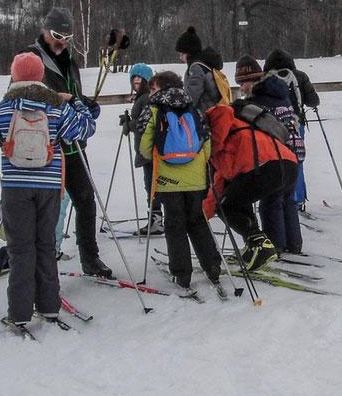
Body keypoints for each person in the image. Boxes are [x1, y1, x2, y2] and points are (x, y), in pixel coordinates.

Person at [0, 52, 96, 329]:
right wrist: (78, 104)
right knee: (45, 245)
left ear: (14, 76)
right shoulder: (56, 106)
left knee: (20, 248)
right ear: (40, 76)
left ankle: (19, 312)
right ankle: (49, 306)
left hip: (15, 187)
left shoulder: (6, 106)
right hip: (48, 186)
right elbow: (83, 130)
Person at [23, 6, 110, 278]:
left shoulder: (69, 59)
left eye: (69, 36)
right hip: (46, 146)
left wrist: (84, 104)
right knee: (48, 207)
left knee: (86, 199)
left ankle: (90, 257)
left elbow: (73, 94)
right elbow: (21, 97)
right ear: (45, 30)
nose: (63, 41)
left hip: (74, 144)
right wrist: (62, 107)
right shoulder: (29, 58)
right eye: (58, 34)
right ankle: (40, 263)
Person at [204, 78, 299, 271]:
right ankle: (255, 246)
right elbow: (220, 185)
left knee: (227, 206)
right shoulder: (238, 128)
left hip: (266, 166)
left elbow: (217, 189)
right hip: (288, 164)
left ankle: (260, 244)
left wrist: (198, 218)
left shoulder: (218, 125)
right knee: (236, 199)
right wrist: (202, 215)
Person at [139, 71, 221, 289]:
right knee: (197, 221)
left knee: (174, 225)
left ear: (161, 87)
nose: (151, 92)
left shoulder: (154, 109)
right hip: (195, 178)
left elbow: (145, 147)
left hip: (168, 179)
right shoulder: (194, 108)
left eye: (153, 88)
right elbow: (207, 143)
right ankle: (212, 265)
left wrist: (153, 158)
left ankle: (181, 273)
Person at [237, 56, 304, 255]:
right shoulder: (279, 91)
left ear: (254, 80)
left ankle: (276, 244)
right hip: (295, 148)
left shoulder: (257, 100)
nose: (241, 87)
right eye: (239, 83)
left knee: (271, 198)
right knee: (287, 197)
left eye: (244, 82)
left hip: (278, 153)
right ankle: (294, 242)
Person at [263, 48, 319, 210]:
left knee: (276, 160)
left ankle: (279, 196)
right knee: (296, 160)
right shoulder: (300, 76)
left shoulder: (267, 78)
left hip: (272, 126)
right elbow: (313, 101)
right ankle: (298, 198)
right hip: (296, 124)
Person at [123, 62, 163, 236]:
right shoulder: (142, 97)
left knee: (152, 185)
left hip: (150, 149)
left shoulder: (146, 97)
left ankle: (156, 220)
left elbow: (144, 123)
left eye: (140, 77)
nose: (137, 80)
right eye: (134, 77)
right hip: (145, 148)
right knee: (150, 184)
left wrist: (129, 124)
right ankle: (155, 219)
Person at [175, 26, 230, 111]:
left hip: (206, 113)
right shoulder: (206, 64)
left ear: (189, 53)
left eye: (181, 54)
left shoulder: (195, 68)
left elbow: (193, 95)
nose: (180, 58)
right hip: (214, 109)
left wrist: (181, 109)